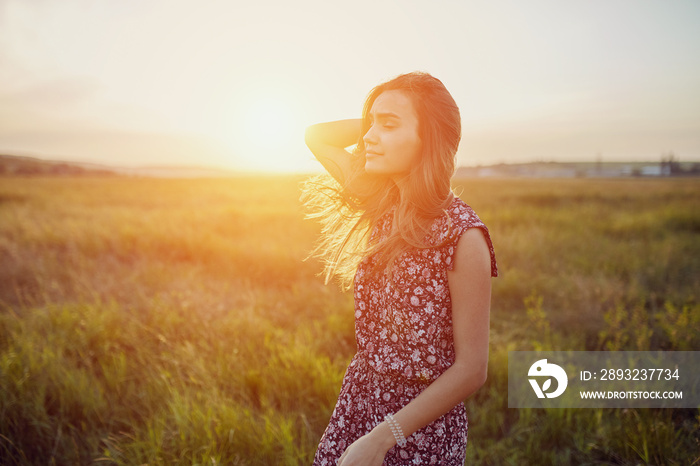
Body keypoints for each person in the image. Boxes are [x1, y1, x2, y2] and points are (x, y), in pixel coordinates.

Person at [302, 71, 498, 465]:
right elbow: (316, 136)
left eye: (388, 125)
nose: (369, 137)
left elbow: (472, 369)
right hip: (360, 405)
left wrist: (382, 439)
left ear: (430, 138)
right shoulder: (382, 200)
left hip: (420, 430)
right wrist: (378, 120)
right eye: (370, 123)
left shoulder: (464, 238)